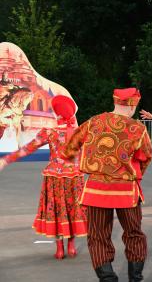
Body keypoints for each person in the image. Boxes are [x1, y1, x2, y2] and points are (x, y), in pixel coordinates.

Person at [63, 88, 152, 282]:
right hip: (126, 191)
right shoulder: (138, 128)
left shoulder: (93, 121)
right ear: (132, 105)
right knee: (134, 234)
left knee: (97, 237)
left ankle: (108, 279)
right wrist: (135, 173)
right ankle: (135, 278)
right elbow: (145, 157)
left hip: (96, 190)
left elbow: (69, 148)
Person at [0, 95, 87, 259]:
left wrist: (6, 159)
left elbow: (28, 149)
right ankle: (72, 246)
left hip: (54, 176)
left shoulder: (49, 132)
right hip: (74, 177)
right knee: (72, 210)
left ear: (57, 114)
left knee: (56, 211)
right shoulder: (79, 132)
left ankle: (60, 249)